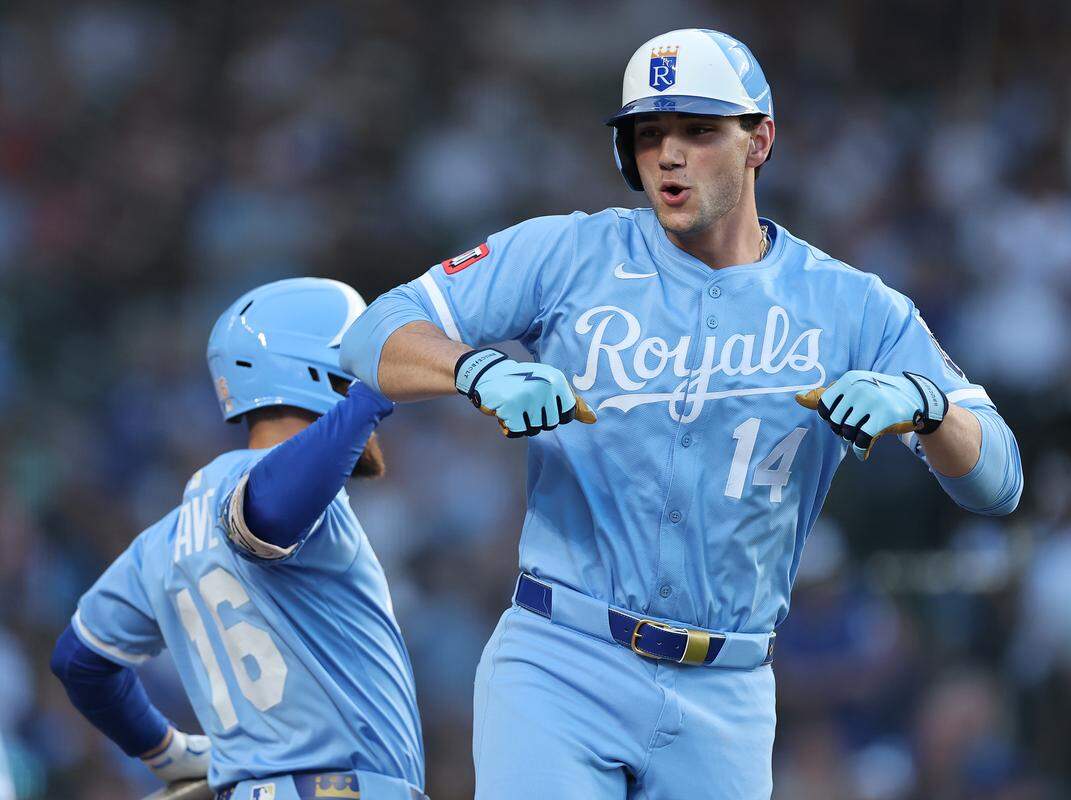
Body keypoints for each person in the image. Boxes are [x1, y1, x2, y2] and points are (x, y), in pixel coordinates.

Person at [339, 28, 1022, 799]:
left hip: (725, 691)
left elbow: (1000, 482)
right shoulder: (568, 254)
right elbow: (371, 332)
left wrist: (927, 407)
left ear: (759, 139)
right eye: (649, 133)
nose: (669, 154)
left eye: (699, 131)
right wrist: (475, 368)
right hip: (562, 659)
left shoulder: (852, 305)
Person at [50, 278, 426, 800]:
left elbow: (80, 659)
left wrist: (165, 751)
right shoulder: (279, 498)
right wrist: (370, 399)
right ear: (330, 371)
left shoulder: (166, 538)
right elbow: (266, 514)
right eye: (363, 359)